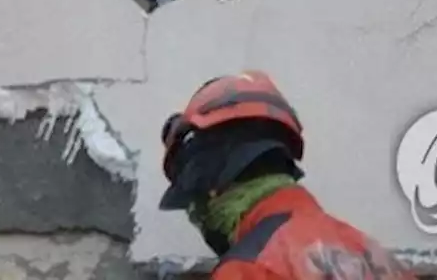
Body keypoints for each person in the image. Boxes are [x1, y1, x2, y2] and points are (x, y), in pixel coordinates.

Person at [159, 72, 411, 280]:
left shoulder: (250, 269)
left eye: (197, 205)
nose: (199, 218)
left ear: (214, 186)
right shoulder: (377, 259)